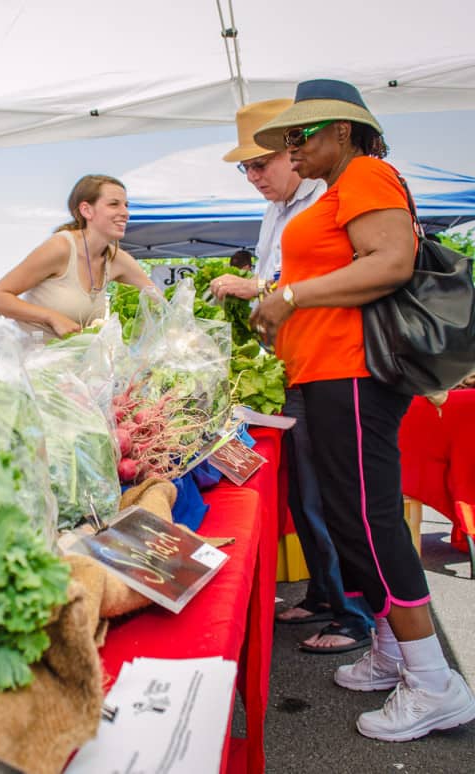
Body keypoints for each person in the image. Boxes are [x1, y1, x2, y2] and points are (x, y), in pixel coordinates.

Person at [250, 78, 475, 741]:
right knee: (352, 522)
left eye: (300, 134)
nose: (292, 149)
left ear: (342, 129)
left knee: (371, 523)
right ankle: (391, 650)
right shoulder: (339, 187)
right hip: (326, 374)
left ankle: (433, 682)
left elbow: (391, 262)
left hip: (353, 376)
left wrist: (289, 298)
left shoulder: (370, 174)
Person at [211, 99, 374, 655]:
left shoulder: (332, 194)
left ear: (294, 150)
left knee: (331, 493)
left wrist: (255, 290)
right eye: (246, 169)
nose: (254, 177)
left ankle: (357, 615)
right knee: (305, 490)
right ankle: (328, 594)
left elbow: (320, 278)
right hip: (293, 363)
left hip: (332, 363)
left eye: (262, 164)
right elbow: (273, 278)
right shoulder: (276, 211)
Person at [0, 174, 156, 338]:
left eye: (126, 205)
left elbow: (159, 302)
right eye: (114, 204)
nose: (125, 212)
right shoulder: (60, 247)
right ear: (86, 210)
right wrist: (51, 317)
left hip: (73, 364)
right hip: (31, 360)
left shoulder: (117, 259)